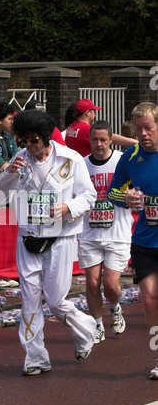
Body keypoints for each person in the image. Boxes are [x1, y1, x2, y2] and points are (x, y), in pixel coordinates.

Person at [0, 109, 97, 376]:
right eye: (22, 141)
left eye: (33, 140)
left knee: (55, 301)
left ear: (46, 137)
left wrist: (68, 207)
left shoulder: (71, 159)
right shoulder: (19, 159)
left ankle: (86, 331)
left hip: (60, 238)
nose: (28, 146)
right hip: (28, 238)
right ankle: (36, 359)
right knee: (29, 300)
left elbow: (89, 196)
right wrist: (9, 175)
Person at [107, 101, 158, 380]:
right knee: (150, 300)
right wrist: (125, 198)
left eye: (148, 128)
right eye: (138, 130)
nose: (142, 134)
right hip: (145, 241)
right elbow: (112, 193)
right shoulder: (129, 157)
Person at [78, 120, 134, 344]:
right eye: (94, 139)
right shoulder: (81, 165)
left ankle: (115, 307)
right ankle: (97, 325)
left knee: (111, 285)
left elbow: (137, 187)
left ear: (112, 139)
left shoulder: (122, 161)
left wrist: (131, 195)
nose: (98, 144)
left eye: (103, 139)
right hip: (90, 233)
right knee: (92, 284)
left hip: (117, 233)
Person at [65, 98, 138, 157]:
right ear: (87, 113)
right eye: (93, 112)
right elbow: (112, 138)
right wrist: (135, 142)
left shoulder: (71, 127)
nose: (95, 115)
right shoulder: (85, 129)